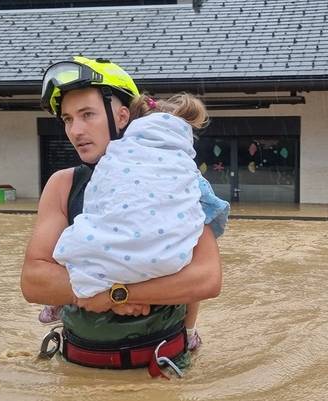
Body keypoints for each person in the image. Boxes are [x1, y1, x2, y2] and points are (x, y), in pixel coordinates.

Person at [21, 56, 222, 373]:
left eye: (87, 115)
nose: (76, 130)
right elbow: (34, 282)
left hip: (161, 369)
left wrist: (115, 293)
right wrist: (116, 295)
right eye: (68, 119)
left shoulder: (177, 179)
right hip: (78, 368)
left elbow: (207, 278)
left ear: (122, 116)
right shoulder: (63, 185)